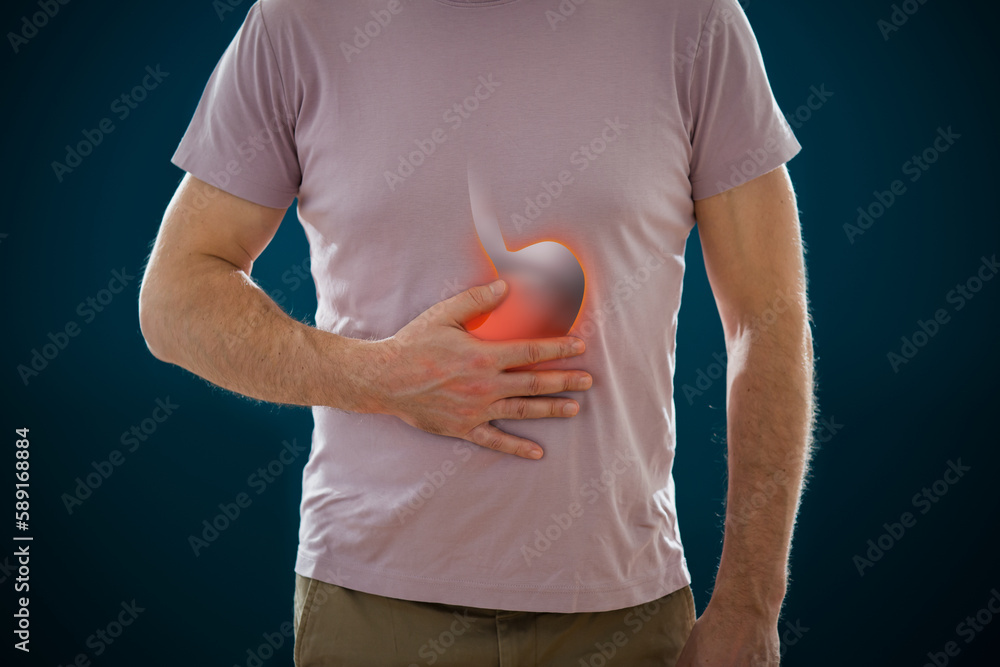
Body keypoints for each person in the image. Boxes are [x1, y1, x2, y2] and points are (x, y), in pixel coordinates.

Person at [139, 0, 815, 664]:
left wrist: (750, 605)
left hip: (621, 610)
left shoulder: (692, 19)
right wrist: (382, 378)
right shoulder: (298, 22)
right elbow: (175, 297)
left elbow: (768, 319)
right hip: (373, 606)